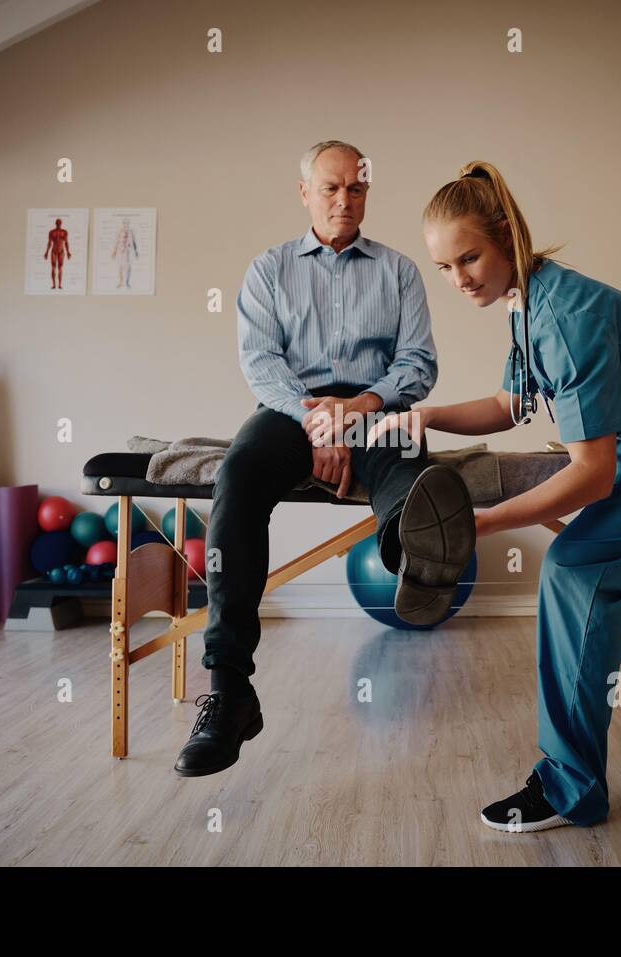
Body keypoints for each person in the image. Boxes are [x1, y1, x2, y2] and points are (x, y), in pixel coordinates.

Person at [367, 160, 621, 831]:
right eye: (444, 267)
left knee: (573, 571)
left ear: (506, 234)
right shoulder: (526, 304)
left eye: (469, 257)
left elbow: (592, 473)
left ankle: (570, 787)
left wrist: (483, 523)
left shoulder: (565, 313)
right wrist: (427, 415)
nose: (458, 278)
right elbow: (511, 403)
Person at [175, 141, 475, 778]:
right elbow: (262, 364)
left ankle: (410, 556)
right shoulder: (269, 269)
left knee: (409, 462)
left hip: (375, 408)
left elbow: (417, 364)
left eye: (357, 189)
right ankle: (228, 690)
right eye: (332, 188)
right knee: (240, 469)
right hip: (292, 414)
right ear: (305, 193)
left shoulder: (398, 271)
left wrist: (361, 406)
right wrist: (318, 418)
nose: (345, 200)